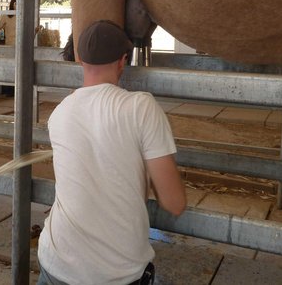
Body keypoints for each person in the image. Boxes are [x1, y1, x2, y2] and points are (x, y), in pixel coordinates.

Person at [37, 20, 186, 285]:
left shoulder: (58, 114)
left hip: (54, 262)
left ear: (80, 59)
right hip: (116, 274)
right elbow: (174, 202)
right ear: (123, 61)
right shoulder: (142, 107)